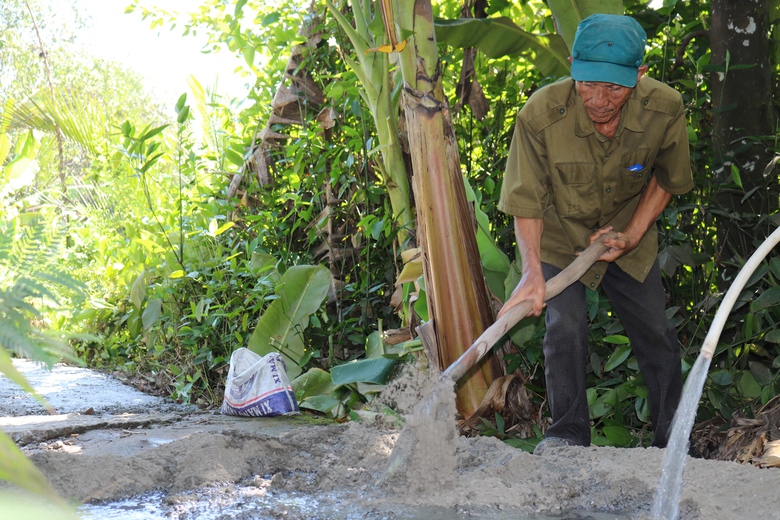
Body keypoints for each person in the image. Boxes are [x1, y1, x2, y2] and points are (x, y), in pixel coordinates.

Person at [497, 13, 693, 453]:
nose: (600, 100)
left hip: (626, 232)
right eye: (588, 84)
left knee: (656, 332)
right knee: (564, 328)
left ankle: (674, 441)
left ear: (639, 75)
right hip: (559, 238)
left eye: (614, 88)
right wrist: (531, 272)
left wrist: (633, 234)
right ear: (572, 66)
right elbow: (526, 201)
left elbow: (668, 179)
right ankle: (567, 438)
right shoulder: (540, 115)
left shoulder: (665, 109)